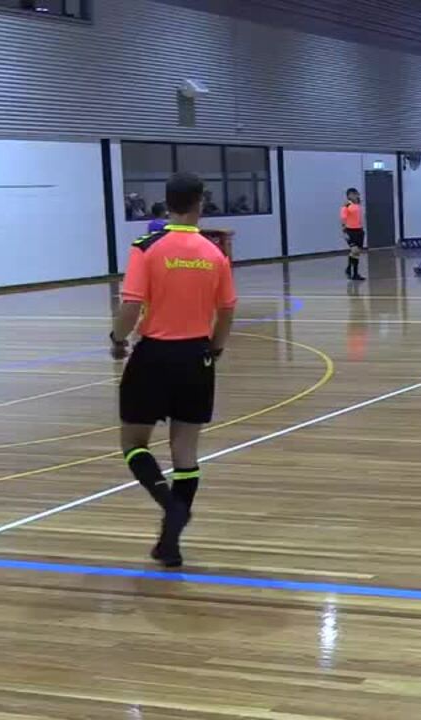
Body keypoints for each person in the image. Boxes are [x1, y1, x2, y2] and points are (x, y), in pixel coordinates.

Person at [110, 172, 237, 568]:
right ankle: (170, 541)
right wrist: (214, 349)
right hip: (196, 357)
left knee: (133, 443)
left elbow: (131, 305)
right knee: (185, 452)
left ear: (167, 204)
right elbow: (227, 310)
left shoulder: (146, 247)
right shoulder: (215, 254)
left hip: (153, 357)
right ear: (200, 203)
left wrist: (117, 339)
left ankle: (168, 504)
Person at [341, 188, 366, 281]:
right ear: (349, 195)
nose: (356, 196)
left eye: (356, 194)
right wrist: (344, 231)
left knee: (356, 253)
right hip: (350, 231)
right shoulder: (346, 206)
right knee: (354, 250)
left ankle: (350, 270)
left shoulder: (359, 205)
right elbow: (343, 218)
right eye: (353, 194)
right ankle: (352, 272)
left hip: (359, 231)